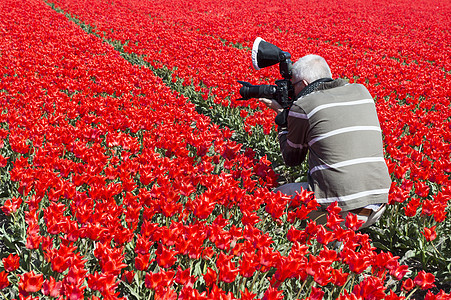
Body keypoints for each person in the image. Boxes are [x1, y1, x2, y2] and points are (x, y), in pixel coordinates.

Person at [260, 54, 391, 229]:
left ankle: (324, 242)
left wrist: (283, 119)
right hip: (378, 205)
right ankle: (339, 242)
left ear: (305, 85)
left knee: (273, 198)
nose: (292, 90)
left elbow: (292, 159)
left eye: (293, 85)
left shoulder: (304, 105)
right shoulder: (362, 91)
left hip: (341, 213)